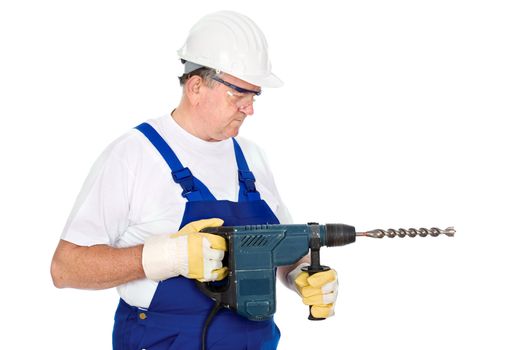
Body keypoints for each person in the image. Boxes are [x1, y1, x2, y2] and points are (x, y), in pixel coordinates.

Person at [51, 10, 338, 350]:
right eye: (238, 94)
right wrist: (165, 257)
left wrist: (301, 274)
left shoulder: (252, 157)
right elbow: (66, 268)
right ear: (196, 86)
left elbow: (280, 245)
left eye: (254, 95)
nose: (250, 109)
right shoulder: (134, 154)